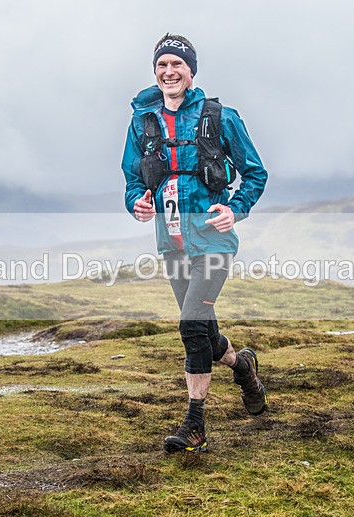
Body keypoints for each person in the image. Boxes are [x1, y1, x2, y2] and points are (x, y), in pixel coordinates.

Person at [122, 34, 268, 453]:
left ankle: (195, 423)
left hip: (214, 243)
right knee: (202, 330)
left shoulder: (220, 117)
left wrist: (235, 209)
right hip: (171, 243)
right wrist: (138, 202)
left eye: (177, 65)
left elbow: (255, 172)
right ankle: (243, 367)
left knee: (189, 327)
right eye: (162, 65)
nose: (169, 72)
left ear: (191, 72)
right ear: (155, 72)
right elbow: (132, 179)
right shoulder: (141, 123)